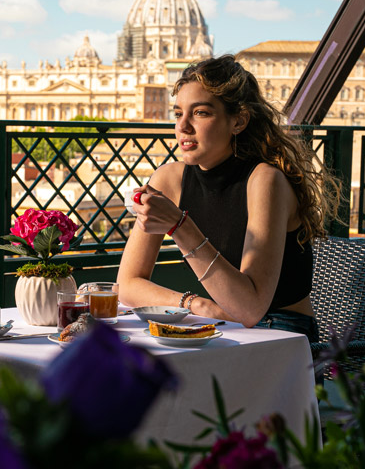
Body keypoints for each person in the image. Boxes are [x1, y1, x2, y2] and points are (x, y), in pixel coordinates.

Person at [118, 55, 340, 341]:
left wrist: (180, 226)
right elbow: (128, 285)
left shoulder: (265, 181)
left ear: (239, 120)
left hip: (281, 332)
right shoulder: (169, 179)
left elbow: (250, 310)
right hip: (215, 321)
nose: (183, 126)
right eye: (178, 113)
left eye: (200, 113)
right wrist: (195, 304)